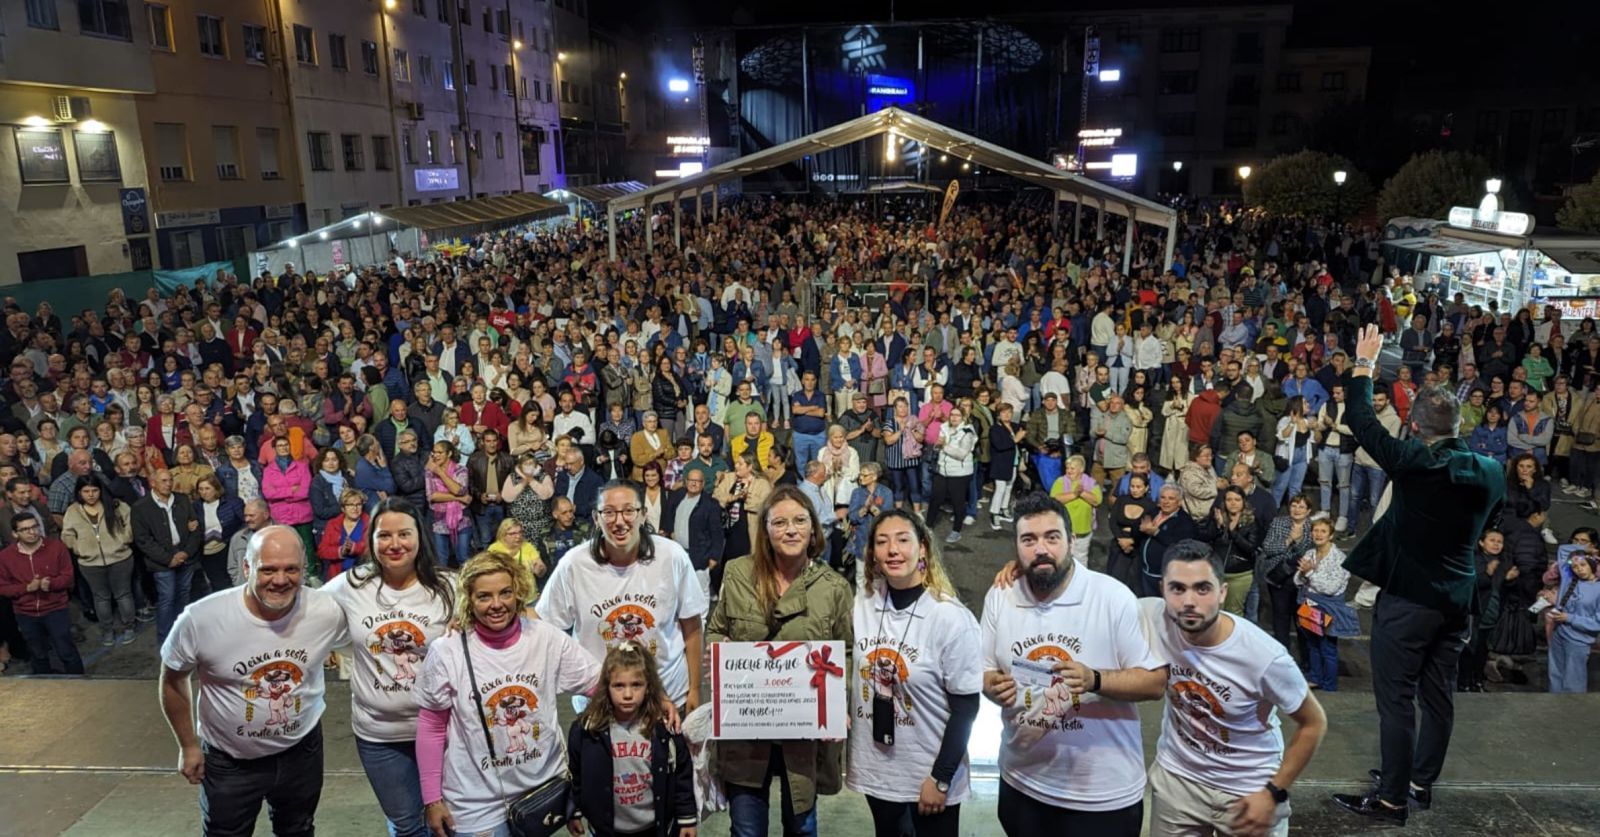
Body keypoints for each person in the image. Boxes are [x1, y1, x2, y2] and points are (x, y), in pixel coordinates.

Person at [1332, 325, 1506, 826]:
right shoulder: (1491, 471)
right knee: (1438, 695)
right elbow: (1490, 522)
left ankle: (1390, 801)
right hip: (1456, 600)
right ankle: (1418, 783)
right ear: (1459, 424)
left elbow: (1362, 421)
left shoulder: (1414, 462)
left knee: (1396, 700)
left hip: (1408, 601)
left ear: (1412, 423)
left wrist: (1364, 365)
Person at [981, 492, 1166, 836]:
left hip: (1101, 795)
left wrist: (1094, 679)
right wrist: (990, 684)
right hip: (1022, 783)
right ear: (1017, 546)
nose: (1041, 549)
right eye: (1029, 539)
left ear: (1072, 540)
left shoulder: (1112, 597)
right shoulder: (1000, 596)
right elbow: (984, 669)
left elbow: (1154, 683)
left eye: (1052, 537)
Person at [158, 525, 350, 836]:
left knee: (299, 829)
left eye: (291, 569)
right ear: (247, 567)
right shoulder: (201, 619)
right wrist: (188, 745)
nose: (280, 580)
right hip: (229, 763)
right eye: (268, 569)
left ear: (304, 568)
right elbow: (172, 680)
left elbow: (372, 635)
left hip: (302, 752)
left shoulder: (325, 611)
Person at [1141, 539, 1328, 837]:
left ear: (1222, 592)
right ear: (1162, 589)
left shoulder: (1264, 656)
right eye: (1178, 588)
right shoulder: (1153, 617)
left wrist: (1273, 792)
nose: (1189, 601)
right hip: (1178, 782)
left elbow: (1314, 723)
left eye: (1203, 588)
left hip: (1249, 788)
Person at [415, 551, 602, 837]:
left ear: (518, 592)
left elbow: (600, 684)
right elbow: (431, 726)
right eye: (484, 596)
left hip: (541, 792)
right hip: (474, 804)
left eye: (505, 593)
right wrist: (432, 800)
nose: (497, 604)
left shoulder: (545, 638)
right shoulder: (447, 651)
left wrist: (656, 700)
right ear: (468, 598)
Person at [706, 484, 854, 837]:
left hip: (804, 730)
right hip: (747, 727)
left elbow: (846, 652)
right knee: (746, 830)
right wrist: (724, 666)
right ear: (765, 530)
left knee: (802, 827)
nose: (791, 530)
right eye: (780, 522)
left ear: (814, 529)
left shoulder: (833, 586)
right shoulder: (738, 573)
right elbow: (715, 633)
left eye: (800, 520)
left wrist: (837, 704)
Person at [322, 498, 457, 837]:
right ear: (371, 541)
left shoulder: (449, 588)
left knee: (449, 823)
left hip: (446, 733)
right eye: (384, 536)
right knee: (407, 826)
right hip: (380, 736)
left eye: (404, 534)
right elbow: (301, 613)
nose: (394, 544)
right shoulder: (348, 586)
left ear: (420, 537)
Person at [847, 509, 981, 837]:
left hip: (928, 777)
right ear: (872, 554)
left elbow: (966, 707)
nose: (893, 550)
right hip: (877, 772)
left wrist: (941, 777)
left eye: (903, 539)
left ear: (922, 548)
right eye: (882, 542)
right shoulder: (863, 603)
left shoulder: (950, 617)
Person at [538, 480, 708, 712]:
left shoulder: (672, 556)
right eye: (608, 512)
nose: (619, 521)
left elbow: (692, 626)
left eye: (629, 511)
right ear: (596, 518)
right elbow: (549, 633)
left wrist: (696, 689)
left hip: (668, 696)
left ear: (643, 515)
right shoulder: (573, 565)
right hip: (599, 703)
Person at [566, 642, 699, 837]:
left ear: (648, 686)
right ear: (606, 687)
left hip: (654, 828)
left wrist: (686, 816)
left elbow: (682, 776)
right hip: (607, 830)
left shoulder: (664, 729)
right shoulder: (586, 731)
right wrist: (574, 810)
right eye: (619, 685)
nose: (627, 695)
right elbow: (576, 775)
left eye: (636, 685)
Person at [0, 511, 84, 674]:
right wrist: (26, 588)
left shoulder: (56, 547)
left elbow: (68, 577)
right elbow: (3, 587)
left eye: (34, 527)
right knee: (38, 654)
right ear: (15, 534)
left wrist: (51, 583)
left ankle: (80, 683)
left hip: (55, 609)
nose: (32, 532)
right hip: (26, 613)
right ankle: (44, 687)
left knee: (66, 651)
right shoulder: (5, 557)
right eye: (25, 529)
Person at [60, 475, 137, 646]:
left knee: (123, 594)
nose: (91, 494)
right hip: (90, 563)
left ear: (100, 490)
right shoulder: (73, 511)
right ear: (79, 492)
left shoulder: (115, 505)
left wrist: (124, 538)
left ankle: (129, 626)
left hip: (120, 558)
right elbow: (66, 534)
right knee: (101, 598)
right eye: (86, 491)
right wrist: (79, 548)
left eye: (94, 490)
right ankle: (107, 630)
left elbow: (131, 521)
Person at [133, 469, 204, 644]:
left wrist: (186, 552)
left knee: (183, 594)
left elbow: (195, 529)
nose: (168, 484)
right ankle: (165, 638)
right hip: (161, 562)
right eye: (164, 480)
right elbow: (143, 540)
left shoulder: (182, 500)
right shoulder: (141, 507)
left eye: (170, 480)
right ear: (153, 483)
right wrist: (168, 559)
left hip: (185, 555)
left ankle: (181, 633)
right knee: (167, 598)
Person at [1294, 518, 1357, 692]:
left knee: (1328, 647)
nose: (1318, 534)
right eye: (1315, 531)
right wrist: (1303, 574)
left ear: (1330, 535)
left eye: (1323, 531)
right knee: (1313, 645)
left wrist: (1310, 573)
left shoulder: (1339, 558)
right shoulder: (1310, 554)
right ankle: (1315, 678)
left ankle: (1329, 685)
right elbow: (1297, 580)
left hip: (1328, 606)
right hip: (1310, 605)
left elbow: (1331, 588)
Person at [1197, 486, 1261, 616]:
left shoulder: (1252, 521)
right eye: (1229, 499)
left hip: (1239, 575)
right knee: (1214, 612)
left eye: (1237, 499)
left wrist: (1232, 532)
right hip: (1217, 573)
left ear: (1243, 501)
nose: (1233, 503)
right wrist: (1219, 527)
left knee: (1234, 614)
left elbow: (1250, 548)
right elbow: (1205, 537)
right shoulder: (1217, 517)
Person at [1547, 548, 1600, 693]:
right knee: (1555, 673)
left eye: (1583, 565)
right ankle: (1554, 705)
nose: (1579, 569)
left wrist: (1569, 618)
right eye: (1575, 567)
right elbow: (1563, 550)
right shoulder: (1569, 580)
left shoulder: (1598, 588)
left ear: (1592, 565)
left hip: (1579, 640)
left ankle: (1573, 710)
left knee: (1573, 678)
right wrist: (1583, 550)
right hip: (1559, 633)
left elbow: (1597, 622)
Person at [1136, 485, 1200, 597]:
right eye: (1163, 497)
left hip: (1165, 575)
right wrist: (1140, 528)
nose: (1166, 502)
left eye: (1171, 498)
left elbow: (1179, 544)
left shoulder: (1184, 521)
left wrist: (1156, 532)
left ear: (1179, 502)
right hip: (1145, 572)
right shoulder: (1153, 512)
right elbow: (1138, 529)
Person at [316, 488, 370, 578]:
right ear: (343, 508)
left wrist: (354, 547)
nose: (355, 508)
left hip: (363, 573)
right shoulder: (332, 524)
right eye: (350, 505)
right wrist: (341, 551)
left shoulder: (369, 522)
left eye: (358, 504)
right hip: (338, 575)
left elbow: (372, 549)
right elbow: (322, 551)